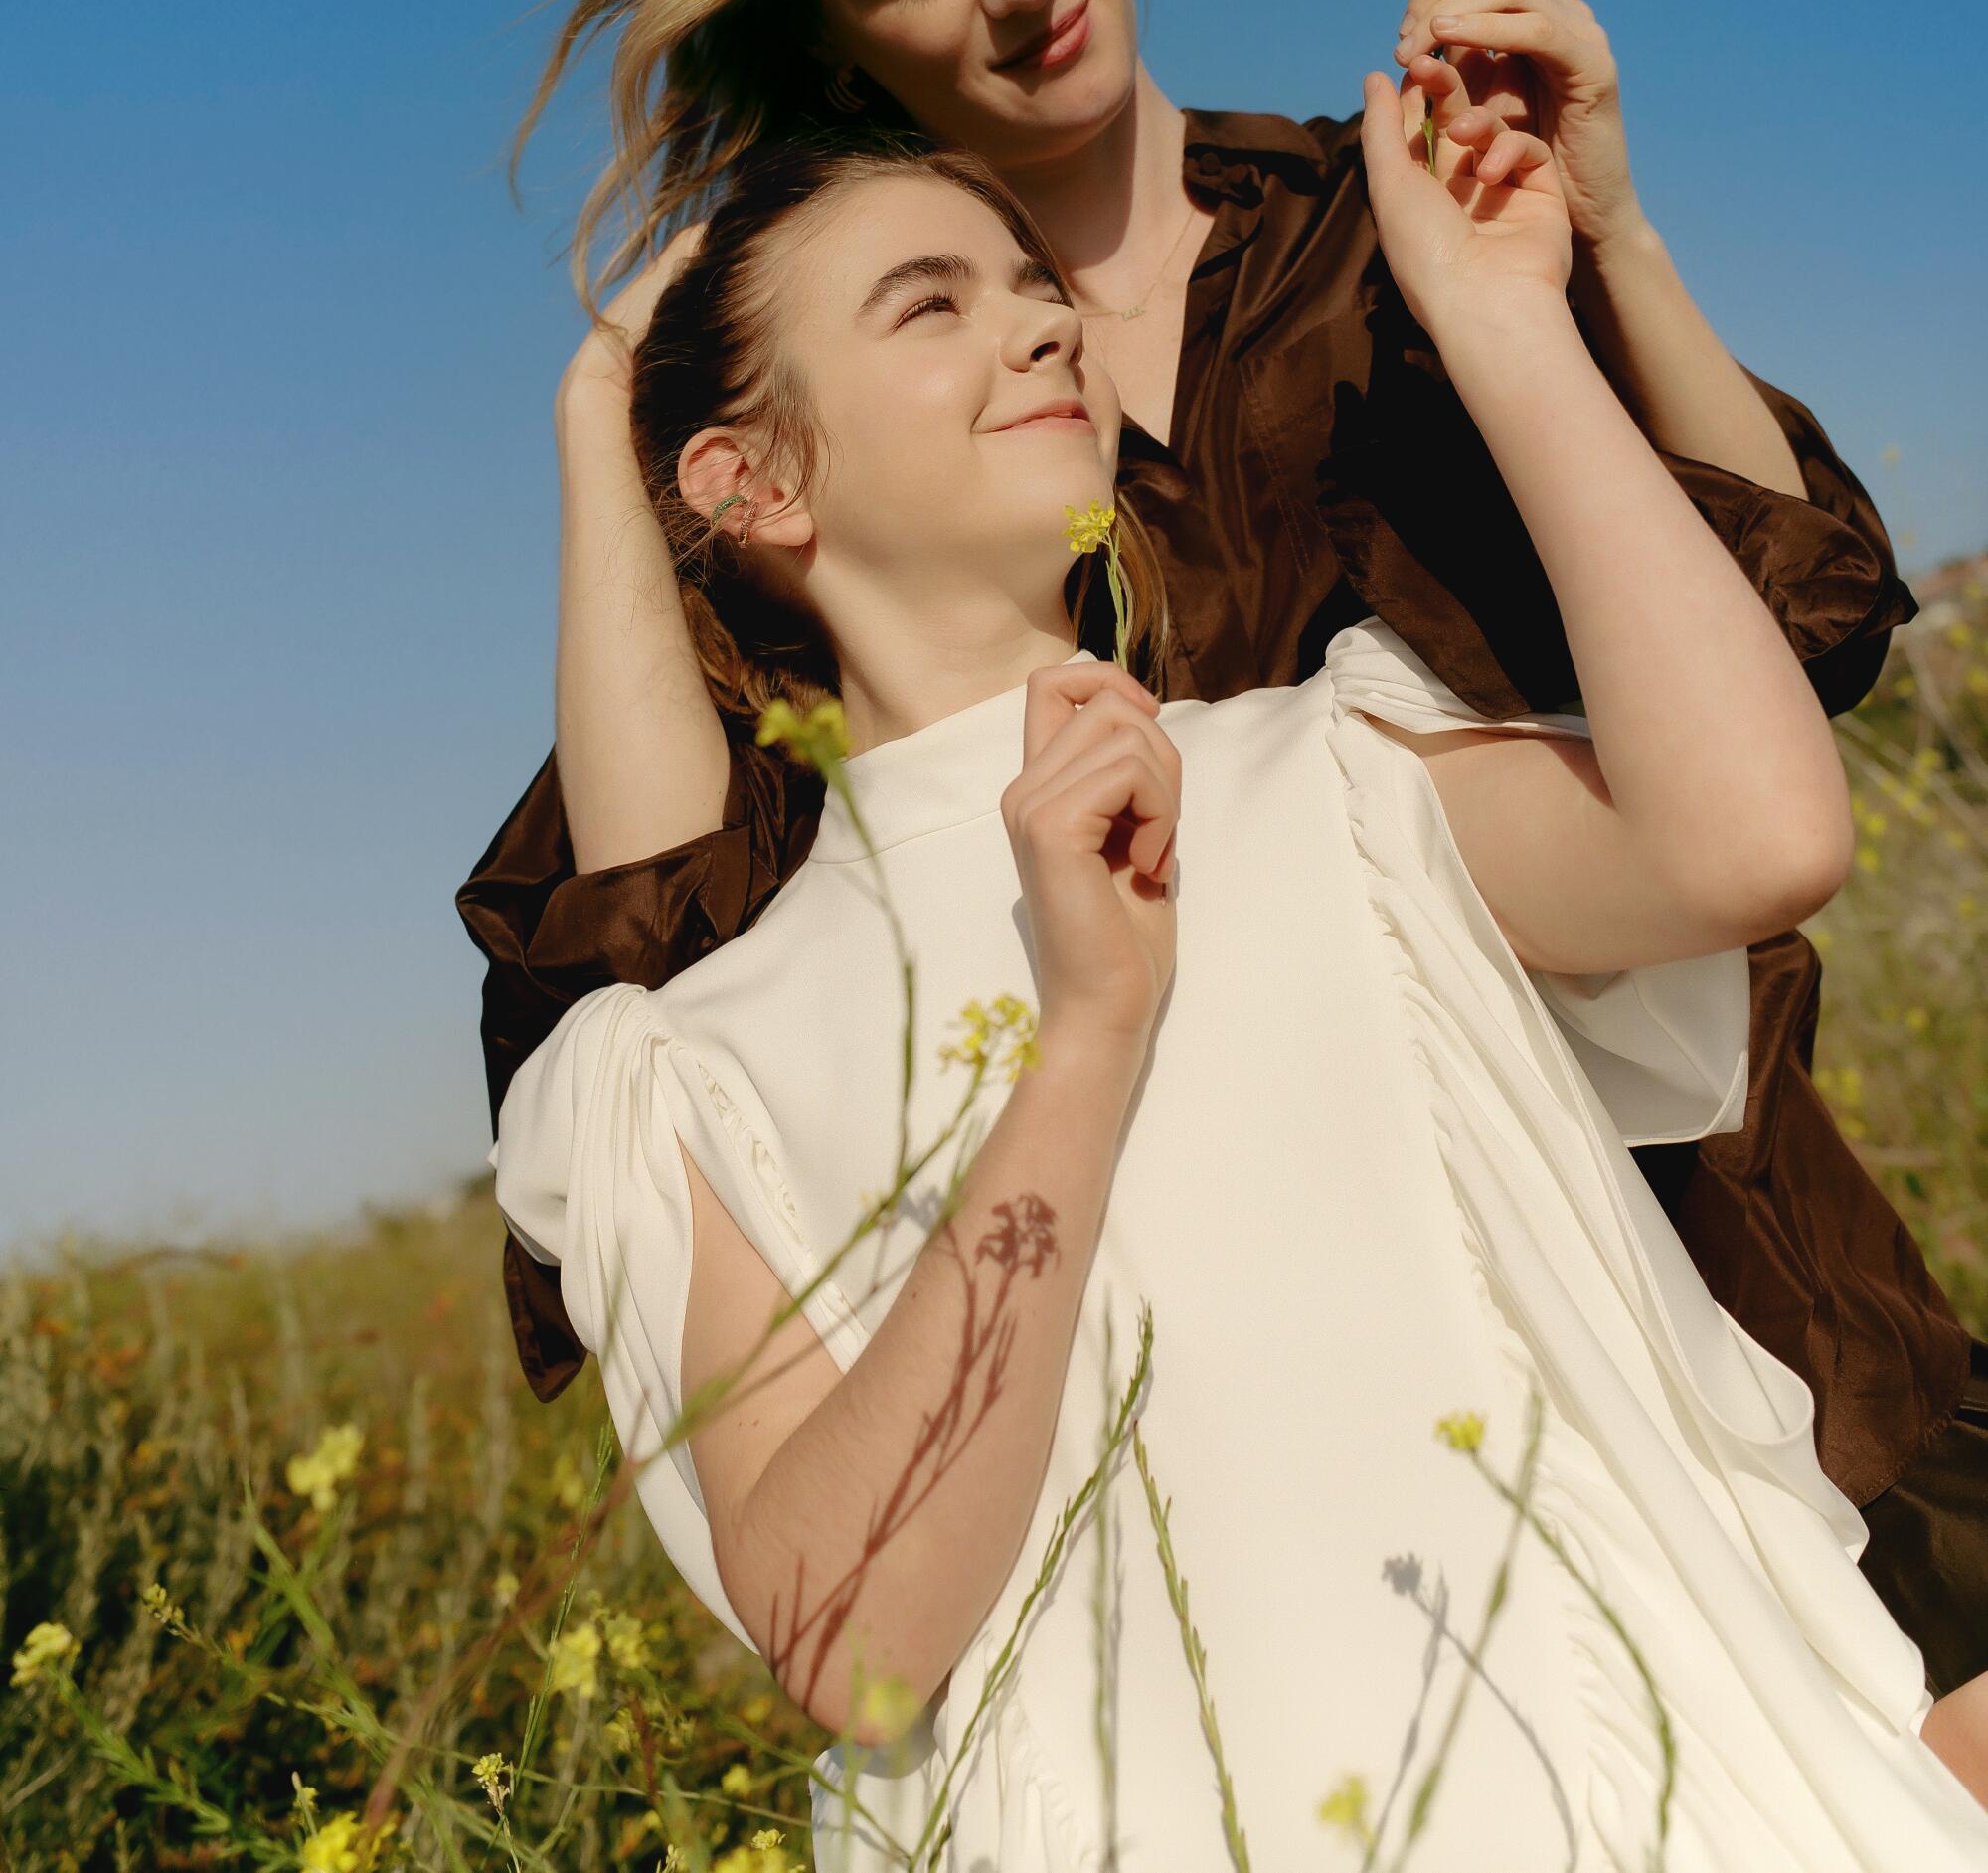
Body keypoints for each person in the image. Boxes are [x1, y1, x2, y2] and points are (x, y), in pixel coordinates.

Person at [459, 0, 1985, 1686]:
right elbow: (649, 986)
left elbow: (1797, 630)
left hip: (1734, 1277)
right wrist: (598, 430)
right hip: (1281, 1436)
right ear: (829, 30)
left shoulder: (1386, 225)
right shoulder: (883, 449)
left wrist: (1607, 236)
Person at [492, 127, 1988, 1868]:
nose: (1046, 327)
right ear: (749, 483)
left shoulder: (1330, 765)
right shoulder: (684, 1062)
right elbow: (852, 1647)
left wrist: (1504, 321)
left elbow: (1755, 834)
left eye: (1040, 291)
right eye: (932, 303)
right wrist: (1086, 1041)